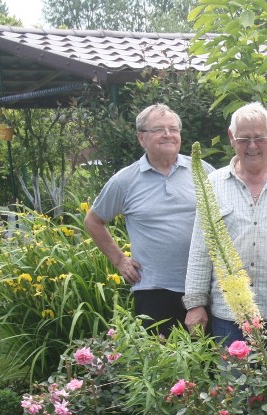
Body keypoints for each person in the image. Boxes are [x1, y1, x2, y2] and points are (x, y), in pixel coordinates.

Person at [184, 102, 267, 347]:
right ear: (232, 138)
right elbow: (201, 248)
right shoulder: (213, 184)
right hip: (229, 316)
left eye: (259, 138)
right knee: (234, 385)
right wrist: (195, 303)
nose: (252, 146)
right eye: (243, 139)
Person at [85, 104, 214, 337]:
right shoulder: (125, 180)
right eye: (158, 129)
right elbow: (93, 221)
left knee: (209, 365)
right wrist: (119, 260)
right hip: (154, 290)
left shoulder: (202, 171)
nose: (168, 134)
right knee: (160, 364)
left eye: (173, 129)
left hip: (203, 287)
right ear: (141, 138)